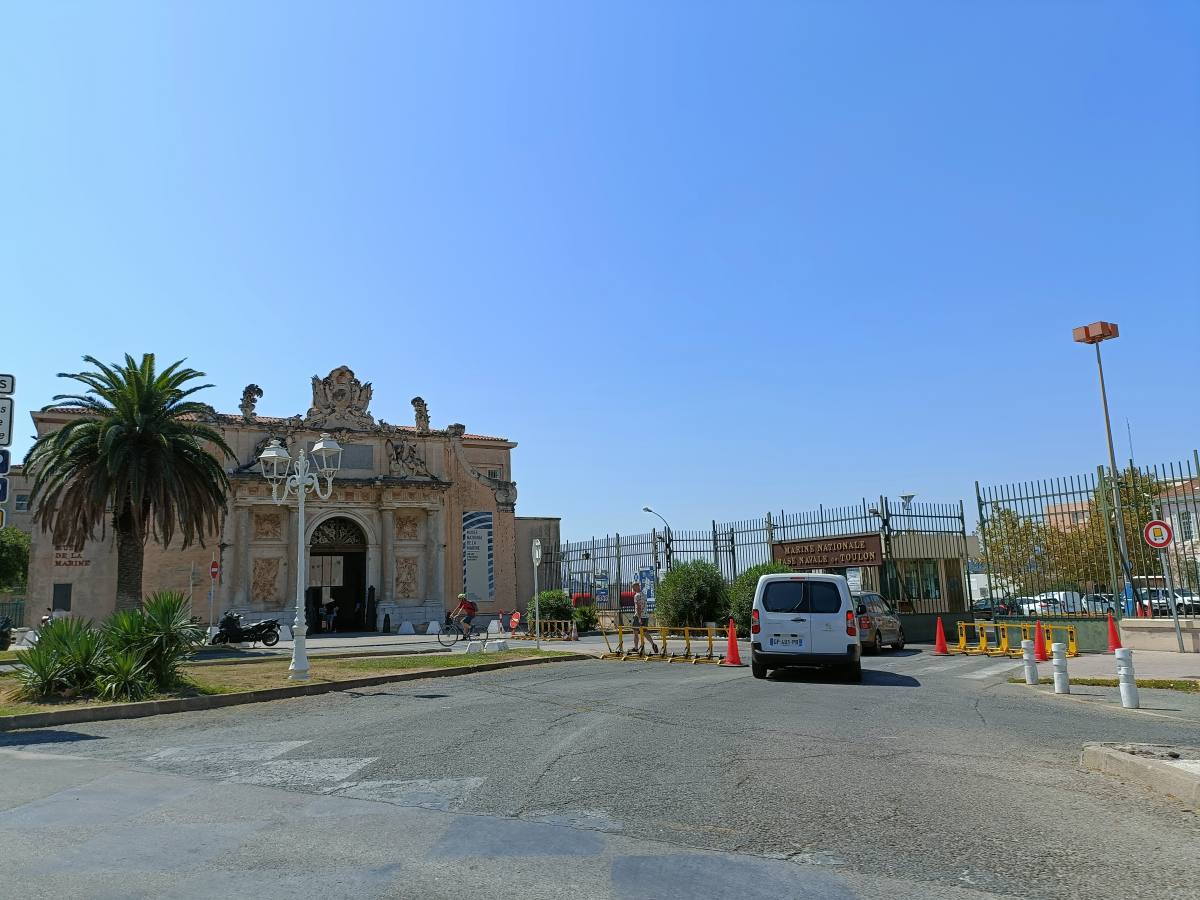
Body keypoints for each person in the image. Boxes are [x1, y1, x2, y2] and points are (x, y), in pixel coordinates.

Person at [631, 582, 659, 655]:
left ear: (637, 587)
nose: (633, 589)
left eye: (633, 587)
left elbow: (638, 607)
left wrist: (639, 618)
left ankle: (636, 648)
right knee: (645, 632)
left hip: (638, 616)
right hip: (646, 616)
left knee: (635, 632)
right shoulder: (644, 595)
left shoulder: (636, 596)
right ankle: (653, 643)